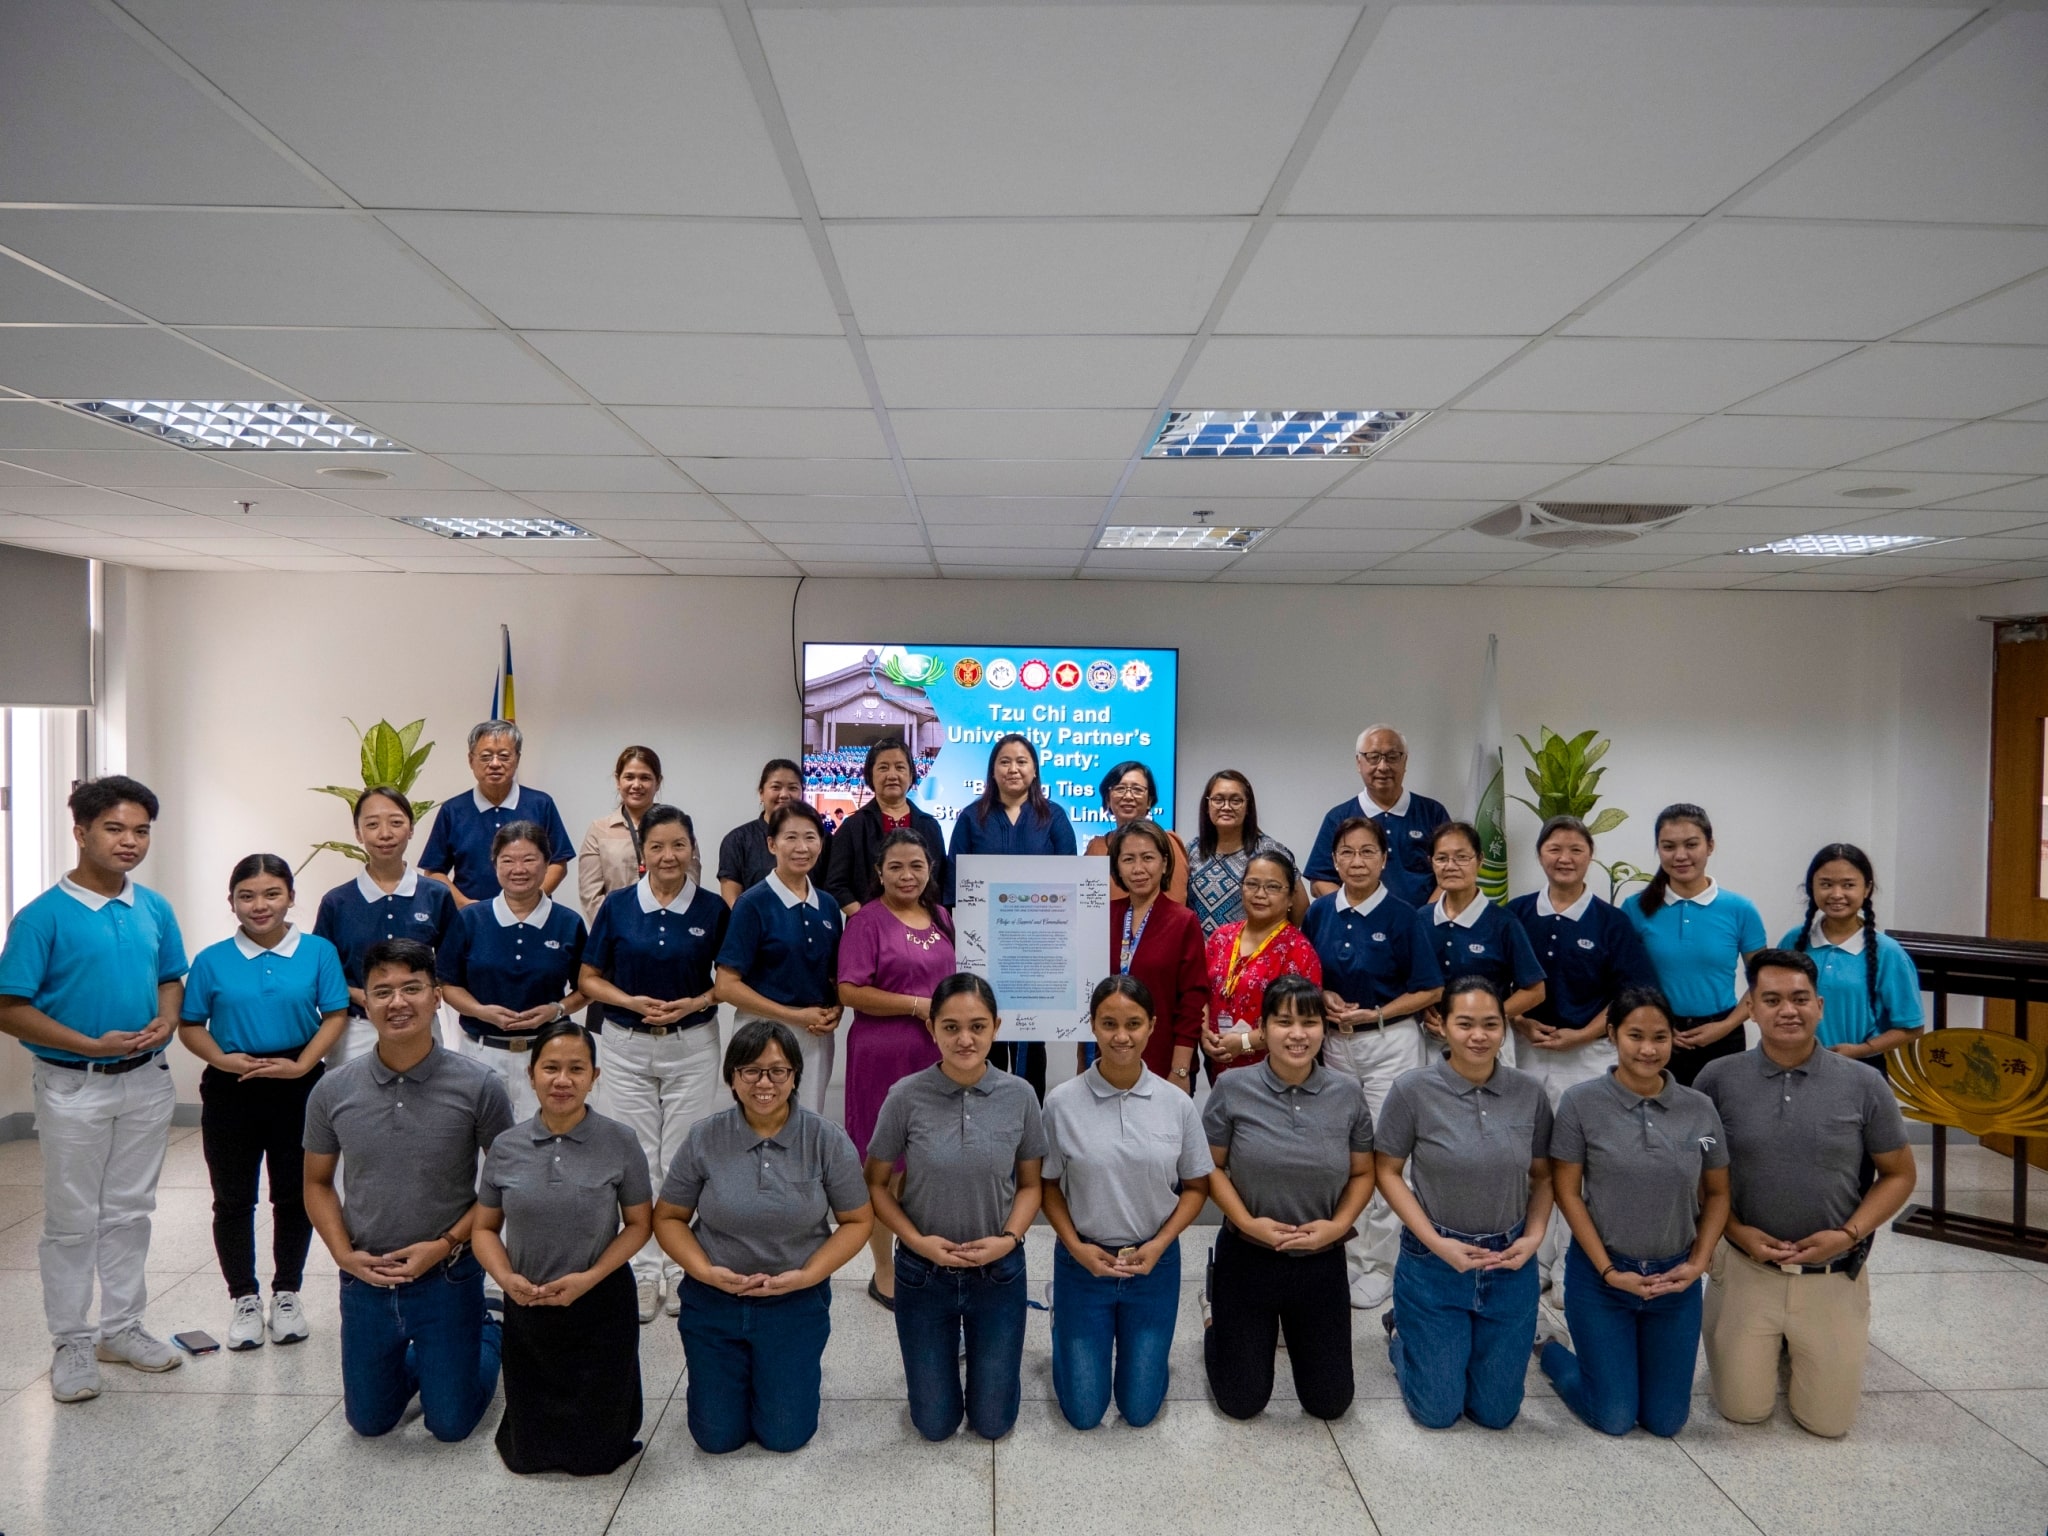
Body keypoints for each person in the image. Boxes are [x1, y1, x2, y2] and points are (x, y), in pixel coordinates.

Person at [0, 776, 188, 1403]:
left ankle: (122, 1327)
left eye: (140, 831)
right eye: (115, 829)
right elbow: (9, 1007)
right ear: (80, 832)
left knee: (131, 1211)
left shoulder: (154, 908)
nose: (130, 842)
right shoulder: (42, 917)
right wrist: (88, 1046)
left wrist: (166, 1017)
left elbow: (170, 978)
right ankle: (72, 1341)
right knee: (73, 1218)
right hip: (72, 1085)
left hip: (146, 1082)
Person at [1697, 948, 1916, 1438]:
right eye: (1771, 999)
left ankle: (1804, 1341)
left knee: (1827, 1423)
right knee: (1743, 1410)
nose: (1787, 1011)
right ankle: (1769, 1343)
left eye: (1799, 999)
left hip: (1832, 1270)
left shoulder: (1864, 1084)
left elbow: (1899, 1174)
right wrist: (1733, 1231)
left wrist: (1849, 1234)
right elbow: (1700, 1160)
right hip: (1746, 1265)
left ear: (1819, 1004)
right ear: (1750, 1008)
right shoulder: (1716, 1082)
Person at [303, 938, 514, 1441]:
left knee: (451, 1424)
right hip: (365, 1278)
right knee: (371, 1422)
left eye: (412, 988)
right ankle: (433, 1354)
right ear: (366, 1001)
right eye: (383, 991)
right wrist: (344, 1255)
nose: (398, 1003)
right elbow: (315, 1183)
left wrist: (444, 1246)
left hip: (448, 1274)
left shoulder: (479, 1085)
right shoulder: (333, 1089)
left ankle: (488, 1331)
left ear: (437, 995)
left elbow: (502, 1186)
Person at [653, 1019, 872, 1454]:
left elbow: (858, 1222)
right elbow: (669, 1218)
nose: (764, 1083)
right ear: (732, 1077)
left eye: (778, 1070)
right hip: (715, 1300)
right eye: (750, 1071)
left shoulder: (826, 1139)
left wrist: (809, 1276)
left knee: (785, 1436)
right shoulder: (704, 1137)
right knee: (716, 1437)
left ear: (794, 1076)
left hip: (793, 1302)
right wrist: (705, 1272)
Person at [1539, 987, 1731, 1438]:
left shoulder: (1698, 1113)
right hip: (1602, 1279)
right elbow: (1567, 1193)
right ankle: (1549, 1350)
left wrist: (1698, 1264)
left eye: (1660, 1037)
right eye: (1635, 1035)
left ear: (1673, 1038)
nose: (1648, 1049)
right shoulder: (1581, 1104)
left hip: (1674, 1281)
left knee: (1666, 1422)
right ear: (1612, 1036)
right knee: (1615, 1416)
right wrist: (1607, 1271)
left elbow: (1718, 1191)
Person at [178, 855, 348, 1351]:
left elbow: (335, 1013)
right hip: (232, 1085)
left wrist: (302, 1065)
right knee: (233, 1198)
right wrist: (226, 1061)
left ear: (291, 897)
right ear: (231, 901)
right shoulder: (212, 959)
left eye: (272, 893)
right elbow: (190, 1024)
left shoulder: (317, 951)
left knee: (294, 1196)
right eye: (246, 896)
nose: (260, 905)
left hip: (299, 1083)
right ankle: (243, 1299)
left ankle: (287, 1294)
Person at [865, 973, 1045, 1442]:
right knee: (935, 1424)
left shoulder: (1021, 1096)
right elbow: (877, 1185)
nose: (965, 1039)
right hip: (923, 1273)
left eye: (978, 1027)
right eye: (950, 1027)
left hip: (998, 1271)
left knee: (992, 1423)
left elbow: (1030, 1187)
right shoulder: (904, 1097)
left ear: (996, 1027)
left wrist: (1008, 1240)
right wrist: (915, 1240)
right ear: (932, 1029)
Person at [475, 1021, 652, 1476]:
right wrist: (506, 1280)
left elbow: (639, 1225)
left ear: (595, 1077)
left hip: (600, 1301)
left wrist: (591, 1278)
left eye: (577, 1068)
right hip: (527, 1301)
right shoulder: (506, 1146)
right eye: (550, 1067)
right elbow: (484, 1229)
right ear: (531, 1074)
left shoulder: (621, 1141)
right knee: (528, 1454)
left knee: (596, 1456)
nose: (562, 1080)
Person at [1377, 976, 1554, 1431]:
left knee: (1496, 1414)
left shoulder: (1529, 1093)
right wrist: (1435, 1241)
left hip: (1508, 1262)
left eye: (1491, 1024)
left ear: (1504, 1028)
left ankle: (1457, 1347)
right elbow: (1387, 1171)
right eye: (1466, 1023)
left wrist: (1533, 1236)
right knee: (1437, 1412)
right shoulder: (1412, 1091)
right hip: (1435, 1261)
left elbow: (1543, 1175)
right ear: (1441, 1025)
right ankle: (1403, 1333)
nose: (1479, 1035)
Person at [578, 804, 728, 1323]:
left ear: (692, 850)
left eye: (678, 846)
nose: (668, 856)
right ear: (642, 853)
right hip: (624, 1044)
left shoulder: (712, 909)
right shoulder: (618, 906)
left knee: (682, 1156)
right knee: (639, 1156)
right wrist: (630, 1001)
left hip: (692, 1044)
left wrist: (697, 1002)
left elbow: (726, 982)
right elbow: (588, 979)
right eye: (657, 846)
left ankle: (679, 1264)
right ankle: (644, 1270)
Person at [1201, 976, 1375, 1421]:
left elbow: (1362, 1172)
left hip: (1320, 1258)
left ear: (1323, 1028)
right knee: (1241, 1403)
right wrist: (1245, 1221)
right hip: (1248, 1252)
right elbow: (1211, 1168)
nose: (1297, 1034)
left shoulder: (1347, 1093)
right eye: (1283, 1022)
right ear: (1262, 1028)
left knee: (1330, 1403)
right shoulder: (1233, 1088)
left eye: (1309, 1022)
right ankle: (1212, 1319)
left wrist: (1337, 1228)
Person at [1041, 976, 1211, 1430]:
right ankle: (1062, 1310)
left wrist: (1160, 1244)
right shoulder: (1061, 1103)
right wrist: (1076, 1247)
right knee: (1083, 1412)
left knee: (1138, 1410)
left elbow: (1196, 1188)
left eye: (1134, 1023)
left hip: (1153, 1263)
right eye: (1109, 1023)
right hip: (1083, 1262)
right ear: (1092, 1026)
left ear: (1152, 1026)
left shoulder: (1177, 1104)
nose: (1121, 1036)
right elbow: (1048, 1186)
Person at [1301, 816, 1444, 1311]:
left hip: (1390, 1043)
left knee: (1387, 1157)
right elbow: (1304, 973)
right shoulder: (1319, 912)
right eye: (1346, 853)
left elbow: (1430, 988)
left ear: (1385, 860)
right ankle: (1348, 1252)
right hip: (1336, 1046)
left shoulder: (1404, 916)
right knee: (1344, 1153)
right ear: (1333, 860)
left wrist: (1379, 1011)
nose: (1356, 862)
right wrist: (1322, 996)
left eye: (1367, 852)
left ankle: (1382, 1265)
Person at [1505, 815, 1655, 1285]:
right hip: (1527, 1050)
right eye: (1554, 849)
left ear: (1590, 857)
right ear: (1540, 856)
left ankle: (1574, 1262)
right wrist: (1522, 1021)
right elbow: (1500, 982)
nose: (1564, 858)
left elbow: (1632, 994)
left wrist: (1586, 1033)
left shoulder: (1611, 921)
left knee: (1580, 1160)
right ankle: (1536, 1257)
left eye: (1575, 849)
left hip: (1587, 1055)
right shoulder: (1516, 913)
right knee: (1534, 1157)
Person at [836, 829, 954, 1306]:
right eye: (897, 867)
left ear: (930, 871)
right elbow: (850, 991)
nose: (908, 876)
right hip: (882, 1056)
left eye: (917, 866)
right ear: (879, 873)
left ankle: (920, 1259)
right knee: (884, 1166)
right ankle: (884, 1273)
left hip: (937, 1058)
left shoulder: (943, 917)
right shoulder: (867, 922)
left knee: (926, 1164)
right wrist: (916, 1006)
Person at [948, 733, 1078, 1099]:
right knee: (985, 1032)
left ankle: (1028, 1125)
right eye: (1004, 761)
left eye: (1022, 761)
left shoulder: (1054, 817)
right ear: (992, 770)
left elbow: (1070, 881)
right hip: (984, 949)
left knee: (1031, 1041)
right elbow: (956, 884)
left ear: (1035, 770)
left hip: (1037, 948)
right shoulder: (972, 817)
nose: (1013, 769)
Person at [436, 823, 589, 1122]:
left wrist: (556, 1010)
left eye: (529, 859)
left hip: (547, 1056)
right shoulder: (471, 918)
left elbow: (587, 988)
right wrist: (481, 1012)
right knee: (482, 1145)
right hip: (481, 1053)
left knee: (545, 1141)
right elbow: (448, 983)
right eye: (508, 860)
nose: (519, 869)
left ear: (547, 864)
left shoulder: (567, 922)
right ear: (494, 865)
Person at [1622, 805, 1767, 1087]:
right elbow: (1627, 979)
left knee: (1718, 1121)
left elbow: (1761, 980)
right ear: (1658, 849)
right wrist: (1660, 1029)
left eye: (1691, 845)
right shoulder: (1635, 908)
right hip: (1657, 1037)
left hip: (1723, 1035)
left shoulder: (1740, 909)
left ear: (1710, 846)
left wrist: (1725, 1026)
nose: (1680, 856)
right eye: (1668, 846)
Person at [716, 802, 845, 1116]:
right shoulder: (752, 903)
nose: (802, 847)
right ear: (772, 844)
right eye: (790, 838)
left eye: (810, 837)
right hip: (762, 1033)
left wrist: (837, 1008)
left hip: (815, 1036)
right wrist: (793, 1015)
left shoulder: (827, 906)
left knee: (809, 1120)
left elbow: (832, 976)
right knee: (761, 1118)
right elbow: (726, 986)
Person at [312, 787, 456, 1064]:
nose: (385, 833)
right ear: (358, 833)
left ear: (411, 829)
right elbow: (322, 973)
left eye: (396, 822)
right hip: (357, 1029)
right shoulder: (337, 902)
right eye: (372, 824)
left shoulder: (436, 895)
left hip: (420, 1025)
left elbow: (451, 967)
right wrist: (365, 996)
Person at [1785, 843, 1925, 1065]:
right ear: (1812, 887)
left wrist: (1861, 1050)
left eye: (1848, 885)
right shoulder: (1793, 941)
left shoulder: (1888, 952)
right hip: (1795, 1063)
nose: (1836, 894)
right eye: (1826, 884)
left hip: (1860, 1067)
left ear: (1866, 888)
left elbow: (1912, 1027)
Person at [1423, 822, 1545, 1059]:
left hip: (1486, 1041)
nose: (1451, 866)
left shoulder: (1503, 922)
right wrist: (1424, 1011)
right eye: (1442, 858)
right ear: (1432, 863)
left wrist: (1487, 1018)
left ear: (1480, 861)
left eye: (1461, 857)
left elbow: (1535, 991)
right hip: (1432, 1040)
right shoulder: (1421, 919)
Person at [420, 720, 575, 906]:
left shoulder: (541, 804)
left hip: (532, 915)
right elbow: (433, 871)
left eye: (503, 756)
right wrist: (464, 905)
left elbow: (559, 863)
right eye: (485, 756)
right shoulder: (453, 810)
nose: (494, 764)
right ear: (471, 760)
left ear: (517, 759)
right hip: (470, 918)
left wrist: (530, 901)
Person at [1102, 821, 1208, 1091]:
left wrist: (1181, 1069)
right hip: (1107, 1060)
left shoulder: (1183, 921)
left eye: (1148, 858)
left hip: (1164, 1063)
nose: (1138, 869)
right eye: (1128, 859)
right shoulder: (1102, 915)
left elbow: (1192, 1001)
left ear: (1164, 863)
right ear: (1117, 867)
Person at [1201, 847, 1321, 1081]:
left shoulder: (1298, 950)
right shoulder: (1221, 938)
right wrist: (1203, 1032)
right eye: (1252, 884)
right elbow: (1200, 991)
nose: (1260, 894)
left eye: (1273, 887)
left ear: (1290, 897)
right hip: (1219, 1063)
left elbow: (1303, 1021)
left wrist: (1244, 1043)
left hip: (1274, 1071)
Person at [1305, 725, 1450, 907]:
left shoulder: (1432, 812)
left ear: (1405, 761)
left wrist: (1424, 917)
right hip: (1358, 928)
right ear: (1359, 762)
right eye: (1373, 757)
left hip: (1422, 926)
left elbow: (1451, 873)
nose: (1383, 766)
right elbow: (1319, 881)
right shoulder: (1338, 817)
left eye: (1392, 757)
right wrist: (1357, 913)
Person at [822, 738, 950, 912]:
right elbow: (836, 885)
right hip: (869, 929)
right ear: (870, 775)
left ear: (911, 775)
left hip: (921, 927)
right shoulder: (853, 827)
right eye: (883, 767)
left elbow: (940, 882)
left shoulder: (930, 826)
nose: (892, 775)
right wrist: (867, 919)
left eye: (900, 767)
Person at [579, 745, 698, 920]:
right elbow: (591, 896)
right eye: (629, 777)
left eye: (645, 778)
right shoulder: (599, 830)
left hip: (672, 929)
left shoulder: (678, 827)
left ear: (658, 782)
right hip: (618, 933)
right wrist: (621, 931)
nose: (637, 785)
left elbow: (691, 882)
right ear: (618, 781)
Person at [1186, 770, 1303, 936]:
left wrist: (1273, 942)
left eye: (1236, 800)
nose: (1226, 807)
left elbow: (1300, 906)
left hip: (1253, 955)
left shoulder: (1270, 850)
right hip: (1201, 956)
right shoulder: (1191, 850)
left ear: (1248, 806)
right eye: (1218, 800)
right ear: (1207, 805)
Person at [719, 759, 829, 906]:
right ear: (761, 793)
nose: (784, 795)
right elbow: (732, 901)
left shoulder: (823, 839)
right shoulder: (737, 840)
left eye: (793, 788)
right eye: (776, 787)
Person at [1083, 760, 1188, 905]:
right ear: (1108, 799)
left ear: (1150, 801)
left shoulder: (1167, 842)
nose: (1128, 796)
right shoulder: (1096, 847)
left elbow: (1175, 903)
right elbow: (1087, 904)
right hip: (1104, 927)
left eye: (1137, 790)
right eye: (1120, 788)